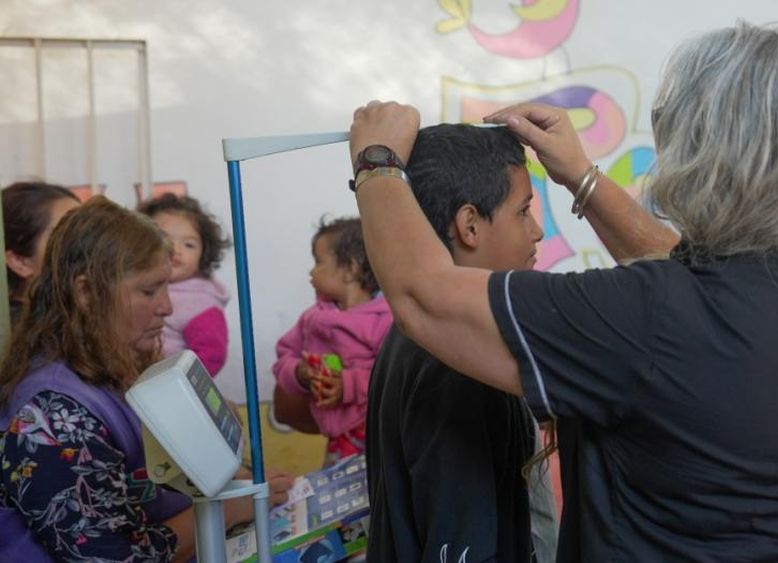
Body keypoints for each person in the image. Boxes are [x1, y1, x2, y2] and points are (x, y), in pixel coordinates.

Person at [348, 21, 778, 561]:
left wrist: (377, 163)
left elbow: (423, 295)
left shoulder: (656, 315)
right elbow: (696, 285)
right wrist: (580, 176)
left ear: (701, 152)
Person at [0, 196, 291, 562]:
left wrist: (238, 483)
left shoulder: (115, 369)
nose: (167, 307)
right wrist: (228, 509)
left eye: (166, 287)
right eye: (149, 291)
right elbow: (115, 555)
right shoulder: (52, 414)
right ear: (87, 292)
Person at [365, 123, 558, 563]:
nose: (536, 232)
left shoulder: (422, 335)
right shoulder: (458, 368)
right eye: (523, 211)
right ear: (470, 225)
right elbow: (462, 542)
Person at [272, 217, 392, 466]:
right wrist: (299, 373)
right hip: (334, 437)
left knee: (373, 492)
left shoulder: (384, 319)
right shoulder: (312, 318)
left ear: (350, 269)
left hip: (374, 434)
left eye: (318, 262)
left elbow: (391, 375)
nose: (311, 271)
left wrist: (348, 385)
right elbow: (284, 356)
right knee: (337, 491)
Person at [138, 193, 232, 376]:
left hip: (169, 388)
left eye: (189, 245)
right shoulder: (132, 286)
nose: (176, 250)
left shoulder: (201, 302)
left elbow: (212, 355)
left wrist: (177, 383)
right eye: (163, 239)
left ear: (204, 254)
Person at [2, 181, 80, 321]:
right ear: (20, 262)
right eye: (66, 236)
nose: (87, 244)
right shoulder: (28, 338)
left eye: (88, 231)